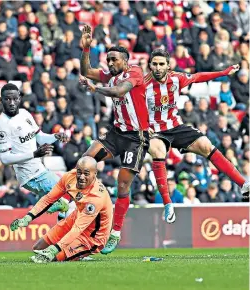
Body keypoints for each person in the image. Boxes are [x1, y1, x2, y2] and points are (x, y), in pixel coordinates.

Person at [145, 48, 249, 216]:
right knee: (158, 151)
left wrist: (223, 72)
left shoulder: (176, 79)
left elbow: (198, 77)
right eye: (154, 64)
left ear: (168, 66)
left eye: (161, 64)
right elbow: (129, 106)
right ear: (150, 65)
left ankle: (243, 184)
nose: (157, 67)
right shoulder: (141, 85)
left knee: (206, 145)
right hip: (154, 131)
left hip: (175, 126)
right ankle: (167, 203)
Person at [79, 25, 149, 254]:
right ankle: (75, 204)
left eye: (114, 60)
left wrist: (95, 89)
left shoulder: (135, 73)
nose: (110, 64)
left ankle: (115, 232)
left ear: (126, 61)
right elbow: (87, 70)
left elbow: (120, 91)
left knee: (122, 183)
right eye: (108, 60)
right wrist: (86, 49)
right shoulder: (110, 75)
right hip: (117, 133)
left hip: (136, 138)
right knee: (85, 161)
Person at [10, 157, 112, 263]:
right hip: (75, 218)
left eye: (86, 174)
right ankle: (73, 253)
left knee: (52, 257)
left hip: (93, 237)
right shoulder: (69, 177)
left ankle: (79, 253)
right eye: (79, 172)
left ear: (95, 174)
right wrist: (28, 218)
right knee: (38, 249)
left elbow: (78, 229)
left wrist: (55, 249)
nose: (81, 177)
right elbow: (48, 198)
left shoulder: (96, 197)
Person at [0, 83, 70, 218]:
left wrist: (55, 136)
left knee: (64, 204)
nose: (12, 103)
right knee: (71, 195)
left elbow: (40, 138)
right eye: (7, 99)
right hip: (30, 176)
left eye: (15, 99)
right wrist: (34, 154)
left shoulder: (24, 113)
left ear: (20, 98)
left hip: (40, 170)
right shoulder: (3, 125)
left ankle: (59, 237)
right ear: (1, 100)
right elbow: (4, 158)